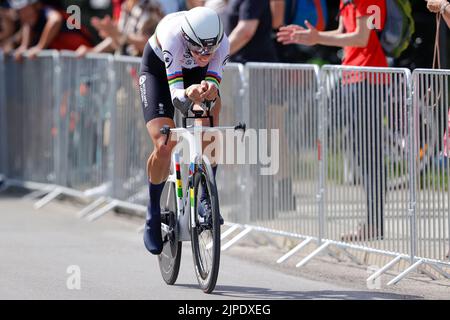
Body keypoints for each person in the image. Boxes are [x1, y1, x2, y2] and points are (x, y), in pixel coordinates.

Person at [278, 0, 388, 241]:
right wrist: (313, 36)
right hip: (353, 75)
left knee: (369, 154)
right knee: (361, 152)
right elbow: (342, 33)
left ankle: (374, 224)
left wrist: (318, 38)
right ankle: (372, 223)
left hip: (368, 76)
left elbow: (359, 38)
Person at [139, 7, 230, 254]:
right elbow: (177, 97)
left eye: (209, 50)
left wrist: (208, 90)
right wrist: (187, 93)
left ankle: (205, 198)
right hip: (158, 72)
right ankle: (153, 209)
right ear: (187, 39)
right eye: (199, 48)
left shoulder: (222, 43)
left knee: (211, 114)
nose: (205, 54)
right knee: (164, 143)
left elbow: (212, 82)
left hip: (194, 76)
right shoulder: (172, 38)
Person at [10, 0, 94, 60]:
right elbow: (28, 25)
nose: (22, 14)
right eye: (19, 11)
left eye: (25, 10)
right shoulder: (32, 21)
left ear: (36, 5)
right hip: (70, 61)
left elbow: (56, 20)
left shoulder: (47, 11)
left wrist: (40, 47)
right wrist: (24, 46)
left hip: (83, 57)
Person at [76, 0, 163, 57]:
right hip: (124, 73)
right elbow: (118, 39)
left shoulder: (152, 7)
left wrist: (118, 34)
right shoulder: (126, 6)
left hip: (143, 75)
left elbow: (151, 44)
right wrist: (94, 51)